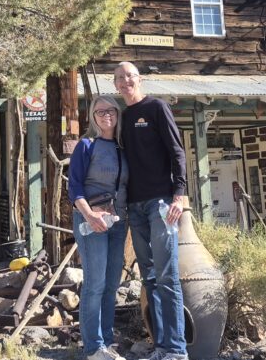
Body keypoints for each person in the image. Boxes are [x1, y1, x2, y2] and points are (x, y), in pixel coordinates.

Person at [114, 62, 188, 360]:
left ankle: (177, 349)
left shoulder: (156, 107)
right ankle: (161, 347)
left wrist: (179, 194)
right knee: (150, 278)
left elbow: (177, 151)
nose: (125, 81)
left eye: (129, 76)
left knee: (168, 277)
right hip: (135, 207)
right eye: (119, 78)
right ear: (116, 85)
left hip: (161, 205)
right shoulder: (122, 118)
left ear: (139, 79)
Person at [68, 95, 129, 360]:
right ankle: (93, 347)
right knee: (95, 282)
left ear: (117, 114)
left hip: (119, 221)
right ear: (93, 116)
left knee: (112, 283)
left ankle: (106, 341)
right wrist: (90, 215)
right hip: (91, 220)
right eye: (100, 111)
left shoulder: (123, 147)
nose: (106, 115)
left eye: (111, 110)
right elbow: (74, 186)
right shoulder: (86, 145)